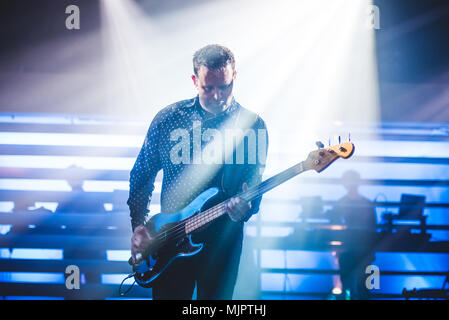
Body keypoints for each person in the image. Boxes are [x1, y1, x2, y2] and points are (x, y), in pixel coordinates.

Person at [127, 44, 268, 300]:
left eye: (225, 86)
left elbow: (254, 182)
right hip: (169, 240)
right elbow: (141, 175)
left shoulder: (252, 126)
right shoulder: (168, 119)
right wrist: (139, 225)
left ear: (235, 76)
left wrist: (247, 207)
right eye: (208, 88)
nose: (218, 96)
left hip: (223, 242)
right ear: (194, 81)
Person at [331, 170, 377, 300]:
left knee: (355, 290)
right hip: (359, 253)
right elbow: (374, 229)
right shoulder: (367, 204)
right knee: (360, 289)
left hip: (353, 253)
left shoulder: (340, 204)